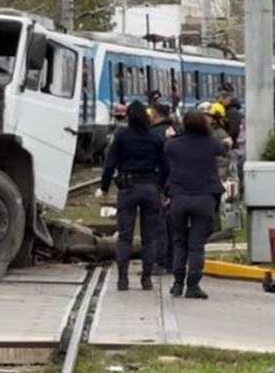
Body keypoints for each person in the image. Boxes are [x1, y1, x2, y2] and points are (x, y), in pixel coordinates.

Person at [97, 101, 168, 291]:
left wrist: (104, 187)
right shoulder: (156, 137)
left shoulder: (121, 136)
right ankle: (146, 279)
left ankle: (122, 279)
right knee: (149, 237)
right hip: (150, 188)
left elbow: (110, 163)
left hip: (128, 188)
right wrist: (163, 190)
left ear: (128, 116)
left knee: (125, 237)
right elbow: (165, 166)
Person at [164, 110, 230, 300]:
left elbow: (168, 149)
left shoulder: (173, 145)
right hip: (204, 198)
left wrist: (173, 136)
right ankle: (193, 286)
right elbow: (224, 149)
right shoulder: (211, 143)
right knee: (196, 245)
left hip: (179, 198)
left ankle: (177, 284)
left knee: (179, 241)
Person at [149, 104, 179, 275]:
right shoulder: (174, 130)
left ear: (155, 114)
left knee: (158, 225)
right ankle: (170, 261)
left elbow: (160, 163)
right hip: (175, 183)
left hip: (160, 183)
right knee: (170, 224)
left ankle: (159, 261)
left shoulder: (155, 134)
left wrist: (161, 188)